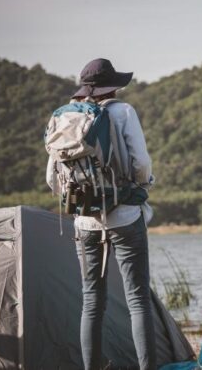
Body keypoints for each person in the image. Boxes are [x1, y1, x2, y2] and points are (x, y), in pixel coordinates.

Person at [46, 58, 156, 369]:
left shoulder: (65, 117)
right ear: (113, 86)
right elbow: (141, 164)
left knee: (92, 300)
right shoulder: (123, 112)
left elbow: (52, 180)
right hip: (124, 215)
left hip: (84, 220)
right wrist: (142, 184)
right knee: (137, 300)